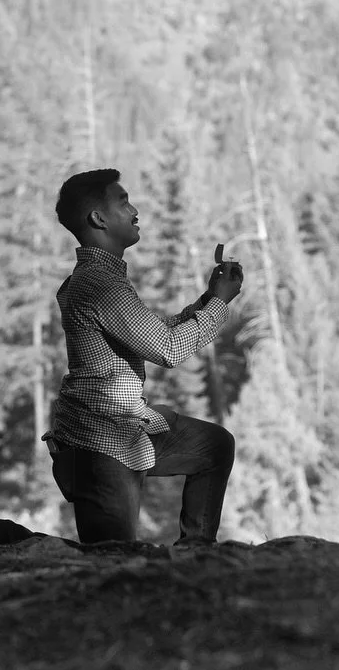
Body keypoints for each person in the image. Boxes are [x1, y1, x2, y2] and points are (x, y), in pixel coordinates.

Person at [38, 168, 242, 546]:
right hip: (97, 442)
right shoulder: (99, 284)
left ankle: (196, 552)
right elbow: (168, 348)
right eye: (123, 202)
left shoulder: (104, 278)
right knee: (111, 555)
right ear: (99, 219)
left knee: (214, 446)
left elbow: (152, 332)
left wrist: (209, 299)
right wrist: (219, 304)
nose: (134, 211)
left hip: (125, 429)